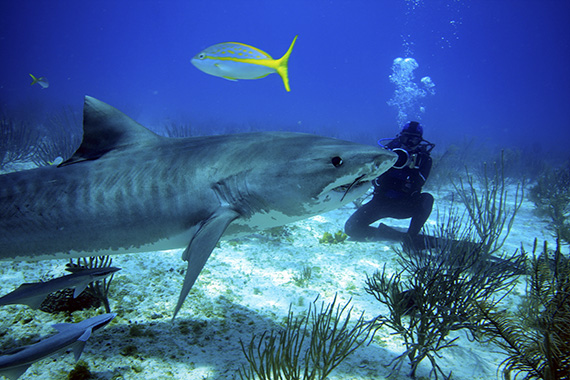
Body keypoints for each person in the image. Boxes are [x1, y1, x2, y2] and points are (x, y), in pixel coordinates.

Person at [344, 121, 435, 241]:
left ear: (420, 141)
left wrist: (412, 168)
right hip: (380, 203)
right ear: (399, 137)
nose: (409, 143)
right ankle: (394, 235)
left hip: (406, 205)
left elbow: (418, 184)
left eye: (413, 140)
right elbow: (374, 179)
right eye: (406, 138)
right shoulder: (386, 153)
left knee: (427, 199)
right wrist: (390, 164)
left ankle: (411, 237)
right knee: (351, 228)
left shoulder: (424, 158)